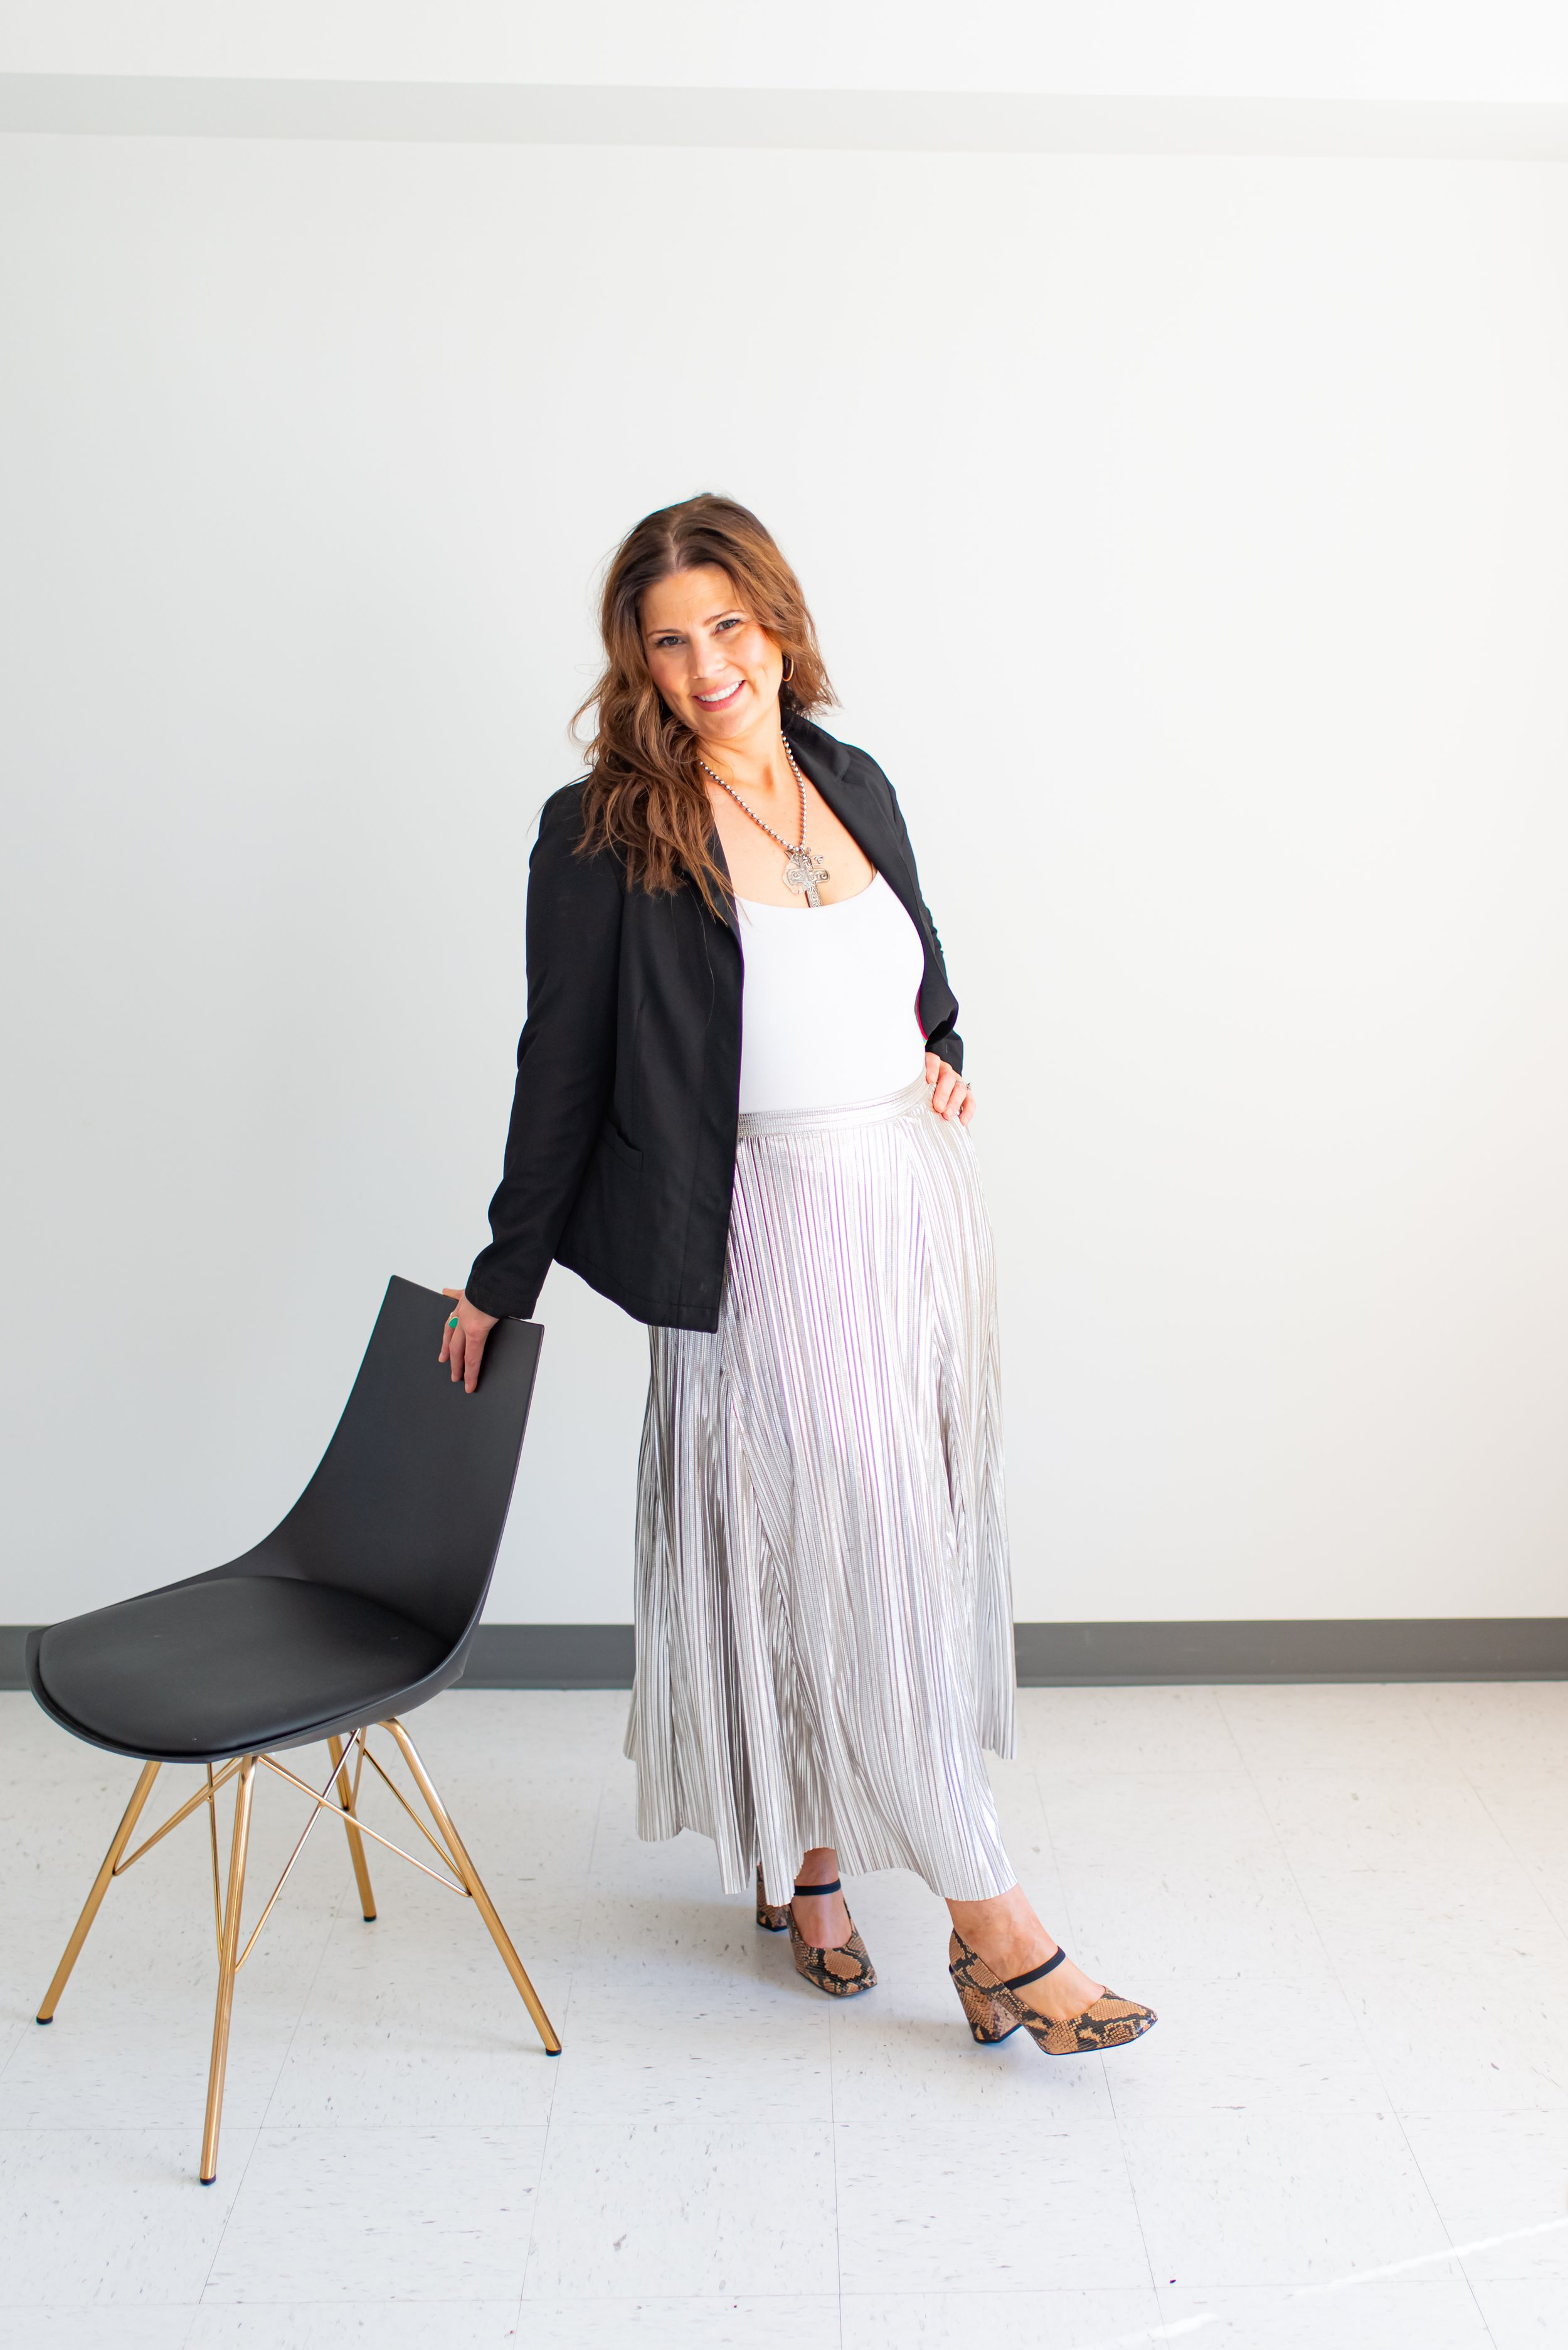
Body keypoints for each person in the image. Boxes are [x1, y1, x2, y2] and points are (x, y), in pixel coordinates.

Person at [440, 494, 1155, 2058]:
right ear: (635, 662)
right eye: (669, 641)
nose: (708, 667)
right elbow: (556, 1072)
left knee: (893, 1536)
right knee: (855, 1546)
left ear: (777, 622)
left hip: (908, 1210)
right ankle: (995, 1928)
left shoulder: (852, 779)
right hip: (755, 1229)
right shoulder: (601, 832)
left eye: (729, 628)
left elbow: (922, 981)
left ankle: (812, 1858)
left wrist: (941, 1059)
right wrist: (503, 1275)